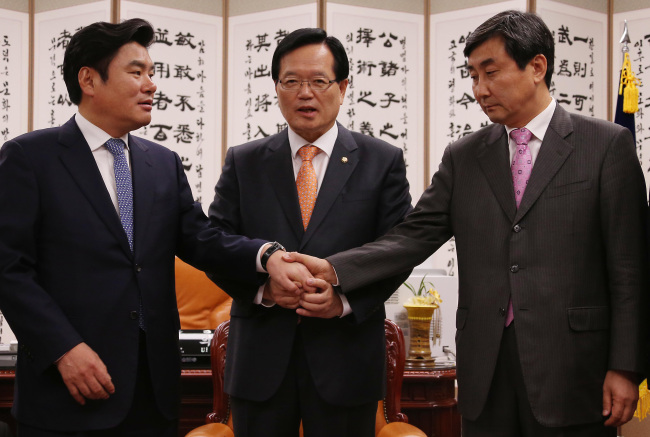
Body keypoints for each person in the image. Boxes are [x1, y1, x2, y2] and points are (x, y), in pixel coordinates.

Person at [287, 11, 648, 437]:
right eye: (473, 75)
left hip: (573, 369)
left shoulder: (605, 145)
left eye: (490, 73)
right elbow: (413, 234)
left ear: (537, 67)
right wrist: (334, 269)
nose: (479, 90)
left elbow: (631, 269)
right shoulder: (465, 156)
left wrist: (625, 367)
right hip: (485, 370)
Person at [0, 19, 306, 437]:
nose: (151, 85)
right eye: (136, 71)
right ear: (89, 79)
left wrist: (266, 256)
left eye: (152, 72)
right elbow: (9, 269)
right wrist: (63, 349)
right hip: (67, 388)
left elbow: (201, 239)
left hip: (153, 389)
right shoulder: (29, 158)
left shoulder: (161, 163)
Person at [206, 28, 412, 437]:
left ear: (343, 87)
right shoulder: (245, 162)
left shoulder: (382, 160)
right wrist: (264, 289)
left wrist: (344, 301)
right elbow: (215, 243)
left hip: (346, 356)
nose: (305, 93)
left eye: (318, 81)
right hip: (260, 362)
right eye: (292, 82)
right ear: (276, 88)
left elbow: (397, 249)